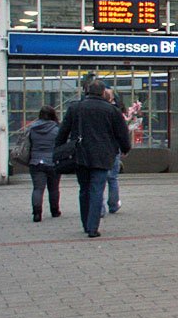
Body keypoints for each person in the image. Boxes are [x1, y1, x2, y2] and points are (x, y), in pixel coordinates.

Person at [56, 80, 131, 238]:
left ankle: (85, 223)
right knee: (97, 189)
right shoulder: (111, 110)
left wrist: (58, 150)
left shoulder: (75, 108)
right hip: (103, 156)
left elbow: (63, 131)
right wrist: (125, 148)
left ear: (87, 91)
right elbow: (122, 133)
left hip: (80, 154)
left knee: (84, 189)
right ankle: (93, 227)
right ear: (103, 92)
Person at [28, 105, 62, 222]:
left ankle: (37, 213)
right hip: (52, 162)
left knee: (38, 188)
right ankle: (55, 210)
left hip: (36, 162)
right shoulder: (57, 129)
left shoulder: (32, 129)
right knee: (53, 188)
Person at [100, 87, 124, 217]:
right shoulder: (116, 111)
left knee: (99, 180)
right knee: (113, 178)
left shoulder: (95, 110)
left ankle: (100, 208)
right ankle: (113, 205)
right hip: (114, 149)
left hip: (99, 150)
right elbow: (122, 132)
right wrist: (125, 147)